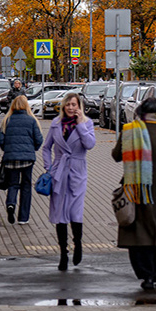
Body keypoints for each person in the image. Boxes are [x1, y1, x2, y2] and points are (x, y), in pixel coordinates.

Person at [111, 97, 156, 290]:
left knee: (140, 233)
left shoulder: (130, 132)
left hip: (136, 191)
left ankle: (146, 275)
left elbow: (116, 155)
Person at [43, 92, 96, 271]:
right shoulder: (56, 124)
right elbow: (46, 147)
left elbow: (90, 144)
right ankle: (63, 253)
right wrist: (49, 168)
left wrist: (80, 125)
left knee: (75, 211)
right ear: (64, 106)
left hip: (77, 171)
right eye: (68, 105)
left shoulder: (87, 123)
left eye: (74, 105)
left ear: (79, 106)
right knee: (60, 214)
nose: (71, 108)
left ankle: (78, 244)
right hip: (59, 172)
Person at [0, 95, 43, 225]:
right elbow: (39, 139)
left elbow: (0, 138)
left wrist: (7, 149)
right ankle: (23, 217)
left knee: (13, 184)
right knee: (26, 186)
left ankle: (11, 204)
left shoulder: (7, 120)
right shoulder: (32, 120)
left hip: (10, 158)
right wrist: (33, 149)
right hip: (27, 159)